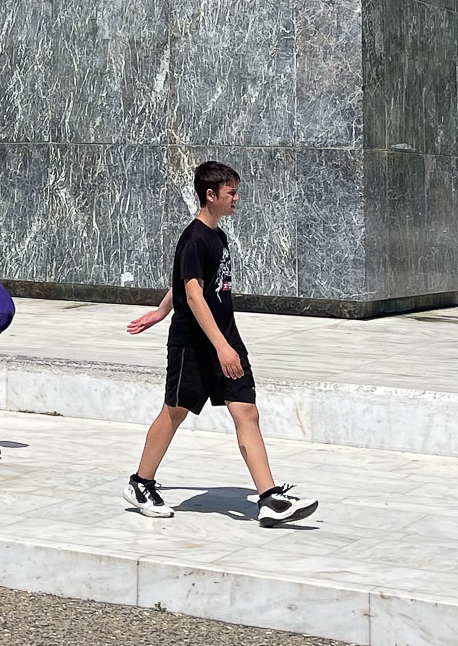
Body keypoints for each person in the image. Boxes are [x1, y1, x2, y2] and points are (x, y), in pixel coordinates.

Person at [124, 160, 318, 527]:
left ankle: (269, 499)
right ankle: (140, 484)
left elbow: (188, 282)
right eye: (231, 192)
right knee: (175, 411)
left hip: (224, 336)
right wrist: (219, 346)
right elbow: (194, 295)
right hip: (195, 344)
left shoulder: (217, 237)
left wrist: (160, 310)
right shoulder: (194, 237)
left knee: (246, 410)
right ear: (210, 195)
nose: (236, 198)